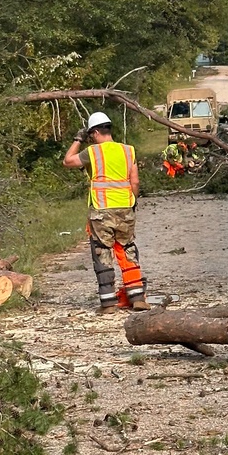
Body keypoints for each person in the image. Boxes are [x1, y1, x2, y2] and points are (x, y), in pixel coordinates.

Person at [64, 111, 151, 314]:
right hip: (125, 209)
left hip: (101, 211)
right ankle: (137, 297)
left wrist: (78, 139)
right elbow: (135, 181)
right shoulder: (128, 151)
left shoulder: (92, 152)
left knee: (103, 254)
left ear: (94, 133)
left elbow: (67, 161)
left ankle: (108, 303)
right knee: (127, 250)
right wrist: (132, 201)